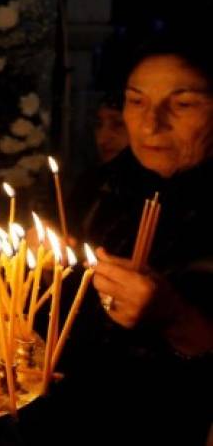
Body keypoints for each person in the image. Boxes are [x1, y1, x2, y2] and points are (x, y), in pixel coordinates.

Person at [51, 25, 213, 445]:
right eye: (136, 101)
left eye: (182, 104)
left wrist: (175, 318)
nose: (151, 125)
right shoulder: (98, 187)